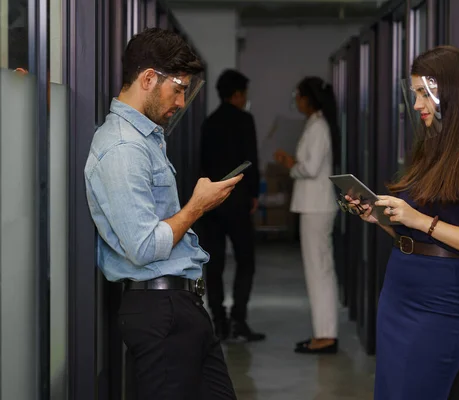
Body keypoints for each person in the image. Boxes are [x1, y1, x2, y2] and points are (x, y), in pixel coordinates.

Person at [85, 28, 241, 399]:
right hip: (160, 312)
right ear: (148, 79)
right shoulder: (123, 148)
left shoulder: (145, 139)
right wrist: (197, 207)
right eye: (179, 88)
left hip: (179, 307)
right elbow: (142, 246)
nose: (182, 101)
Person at [345, 45, 459, 399]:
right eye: (415, 92)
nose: (417, 104)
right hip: (399, 289)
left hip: (438, 300)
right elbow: (413, 230)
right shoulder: (432, 148)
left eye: (424, 93)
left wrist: (420, 221)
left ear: (450, 92)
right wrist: (378, 216)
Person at [274, 76, 341, 354]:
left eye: (299, 96)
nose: (297, 102)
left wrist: (291, 163)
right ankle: (323, 332)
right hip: (314, 204)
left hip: (316, 206)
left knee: (319, 272)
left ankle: (325, 335)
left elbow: (311, 168)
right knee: (318, 271)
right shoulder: (316, 124)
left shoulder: (318, 126)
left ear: (308, 99)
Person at [197, 69, 264, 342]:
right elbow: (252, 159)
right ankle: (239, 320)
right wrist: (253, 194)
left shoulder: (209, 122)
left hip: (211, 202)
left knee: (214, 264)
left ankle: (219, 321)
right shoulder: (244, 120)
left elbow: (201, 162)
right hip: (237, 201)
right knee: (245, 260)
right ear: (237, 94)